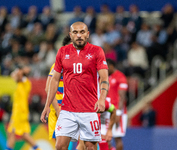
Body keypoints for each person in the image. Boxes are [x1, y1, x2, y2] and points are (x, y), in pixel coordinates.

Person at [41, 22, 109, 150]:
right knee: (60, 146)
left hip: (89, 109)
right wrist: (47, 106)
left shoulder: (97, 51)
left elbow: (104, 78)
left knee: (90, 147)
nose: (79, 35)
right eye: (75, 32)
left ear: (87, 34)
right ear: (70, 35)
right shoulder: (62, 52)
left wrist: (101, 99)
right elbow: (54, 80)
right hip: (68, 109)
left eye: (82, 32)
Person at [6, 66, 41, 150]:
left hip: (19, 113)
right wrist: (21, 69)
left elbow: (17, 75)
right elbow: (12, 75)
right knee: (25, 135)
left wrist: (21, 70)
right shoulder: (19, 83)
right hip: (20, 112)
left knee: (11, 132)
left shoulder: (26, 82)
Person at [45, 35, 72, 140]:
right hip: (60, 109)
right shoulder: (58, 64)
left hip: (75, 110)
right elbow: (48, 88)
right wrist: (58, 109)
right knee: (61, 144)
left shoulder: (79, 66)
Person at [106, 59, 128, 150]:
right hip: (107, 111)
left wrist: (118, 113)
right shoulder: (106, 77)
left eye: (107, 68)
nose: (105, 70)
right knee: (106, 137)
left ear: (111, 66)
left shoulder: (120, 77)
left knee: (117, 137)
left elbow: (122, 97)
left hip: (118, 111)